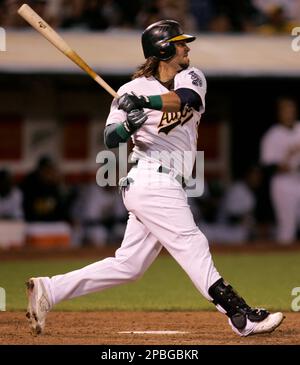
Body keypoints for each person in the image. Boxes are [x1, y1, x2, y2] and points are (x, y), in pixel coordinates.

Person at [26, 20, 283, 337]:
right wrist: (128, 126)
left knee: (129, 266)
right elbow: (110, 138)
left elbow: (186, 99)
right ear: (163, 48)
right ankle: (240, 315)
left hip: (167, 181)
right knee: (191, 242)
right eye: (179, 43)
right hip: (149, 177)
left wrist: (145, 104)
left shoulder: (191, 76)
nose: (186, 47)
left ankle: (48, 290)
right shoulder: (128, 91)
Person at [260, 97, 300, 244]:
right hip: (284, 183)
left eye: (291, 110)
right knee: (287, 226)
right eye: (285, 110)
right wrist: (289, 162)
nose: (289, 113)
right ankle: (285, 260)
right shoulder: (273, 135)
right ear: (280, 113)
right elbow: (269, 166)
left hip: (298, 179)